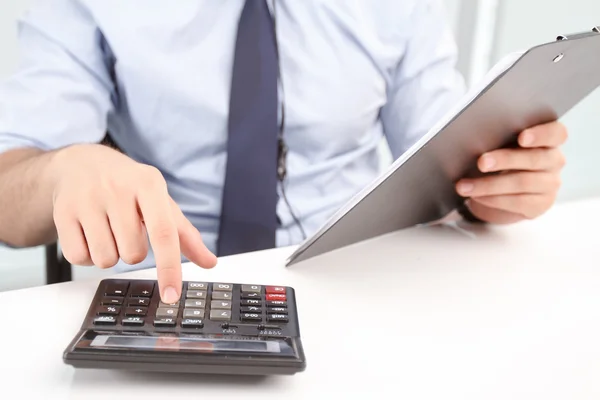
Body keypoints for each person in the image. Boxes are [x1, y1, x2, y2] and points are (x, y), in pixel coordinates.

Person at [0, 0, 567, 303]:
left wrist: (492, 189)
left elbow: (446, 159)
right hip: (167, 293)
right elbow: (7, 198)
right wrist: (59, 171)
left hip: (354, 278)